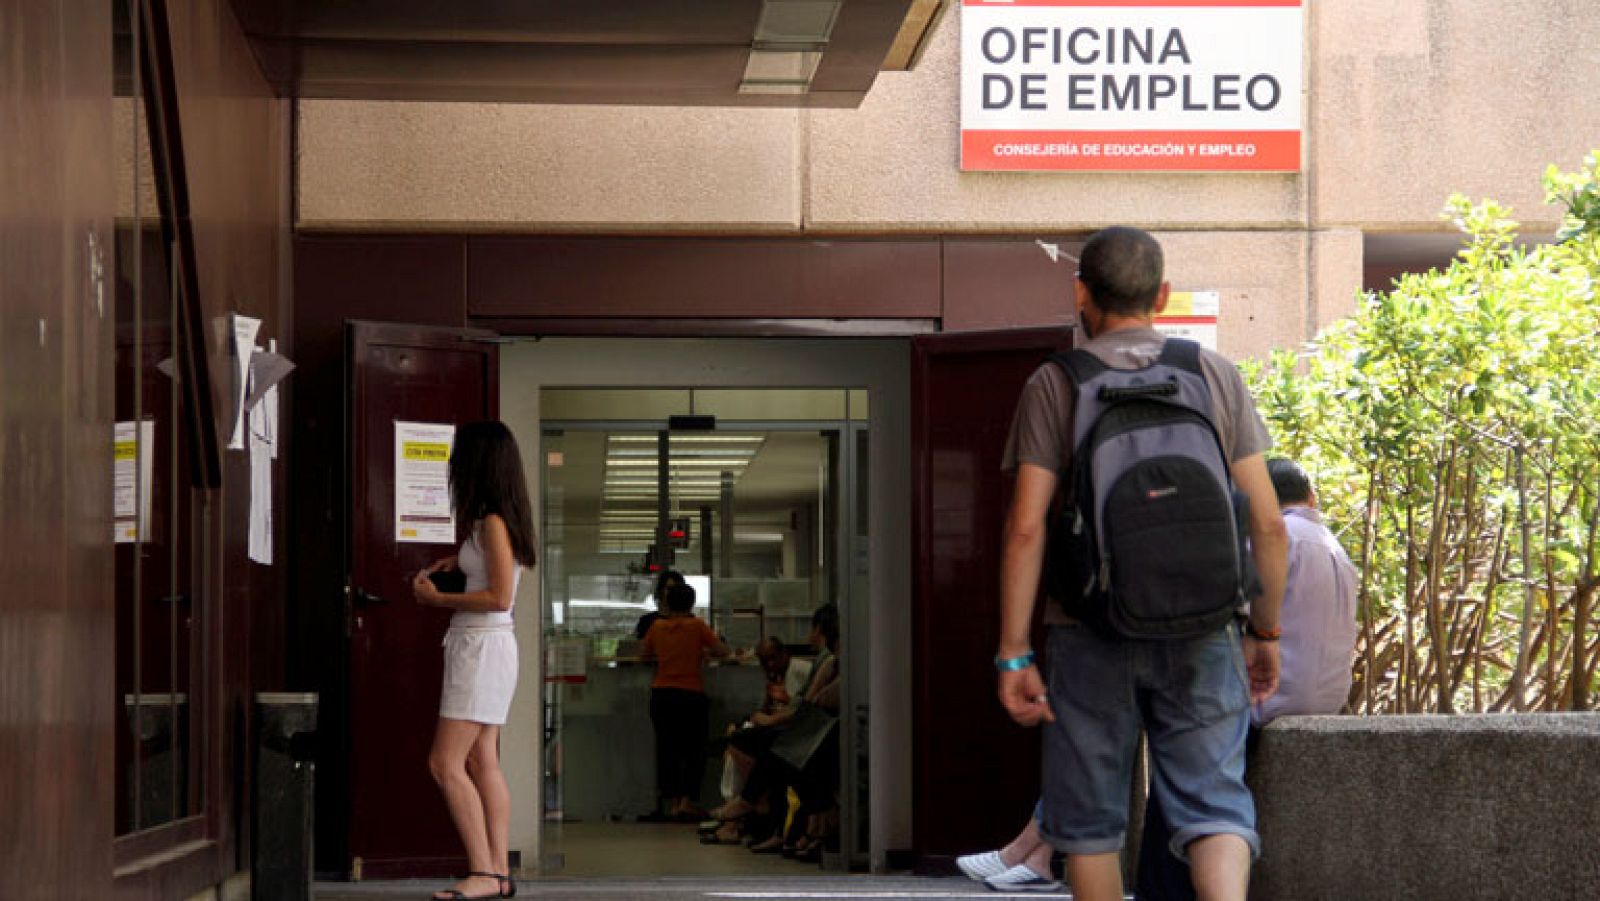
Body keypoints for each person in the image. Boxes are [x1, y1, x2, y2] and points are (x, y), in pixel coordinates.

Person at [993, 227, 1289, 901]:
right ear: (1162, 295)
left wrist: (1014, 653)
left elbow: (1025, 526)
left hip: (1088, 629)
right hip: (1207, 625)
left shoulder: (1055, 382)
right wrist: (1264, 631)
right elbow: (1269, 521)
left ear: (1081, 293)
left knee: (1092, 822)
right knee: (1214, 804)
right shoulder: (1212, 373)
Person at [1134, 457, 1360, 900]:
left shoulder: (1277, 538)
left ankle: (1157, 891)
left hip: (1272, 697)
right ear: (1311, 497)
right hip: (1324, 699)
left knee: (1180, 756)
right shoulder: (1333, 543)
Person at [411, 420, 537, 901]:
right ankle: (498, 875)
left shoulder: (491, 522)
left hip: (480, 646)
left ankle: (484, 873)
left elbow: (500, 596)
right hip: (490, 647)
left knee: (444, 763)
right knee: (483, 758)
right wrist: (456, 564)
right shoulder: (501, 519)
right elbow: (494, 577)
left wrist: (435, 601)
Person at [641, 581, 732, 821]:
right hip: (690, 694)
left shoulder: (657, 626)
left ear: (667, 603)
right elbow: (724, 651)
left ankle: (672, 802)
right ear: (691, 603)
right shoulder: (697, 626)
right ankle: (687, 801)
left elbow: (644, 655)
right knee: (694, 750)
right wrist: (703, 652)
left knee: (667, 750)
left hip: (662, 695)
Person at [635, 569, 687, 640]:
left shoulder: (689, 620)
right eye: (669, 589)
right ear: (660, 591)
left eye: (677, 589)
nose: (673, 593)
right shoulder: (647, 621)